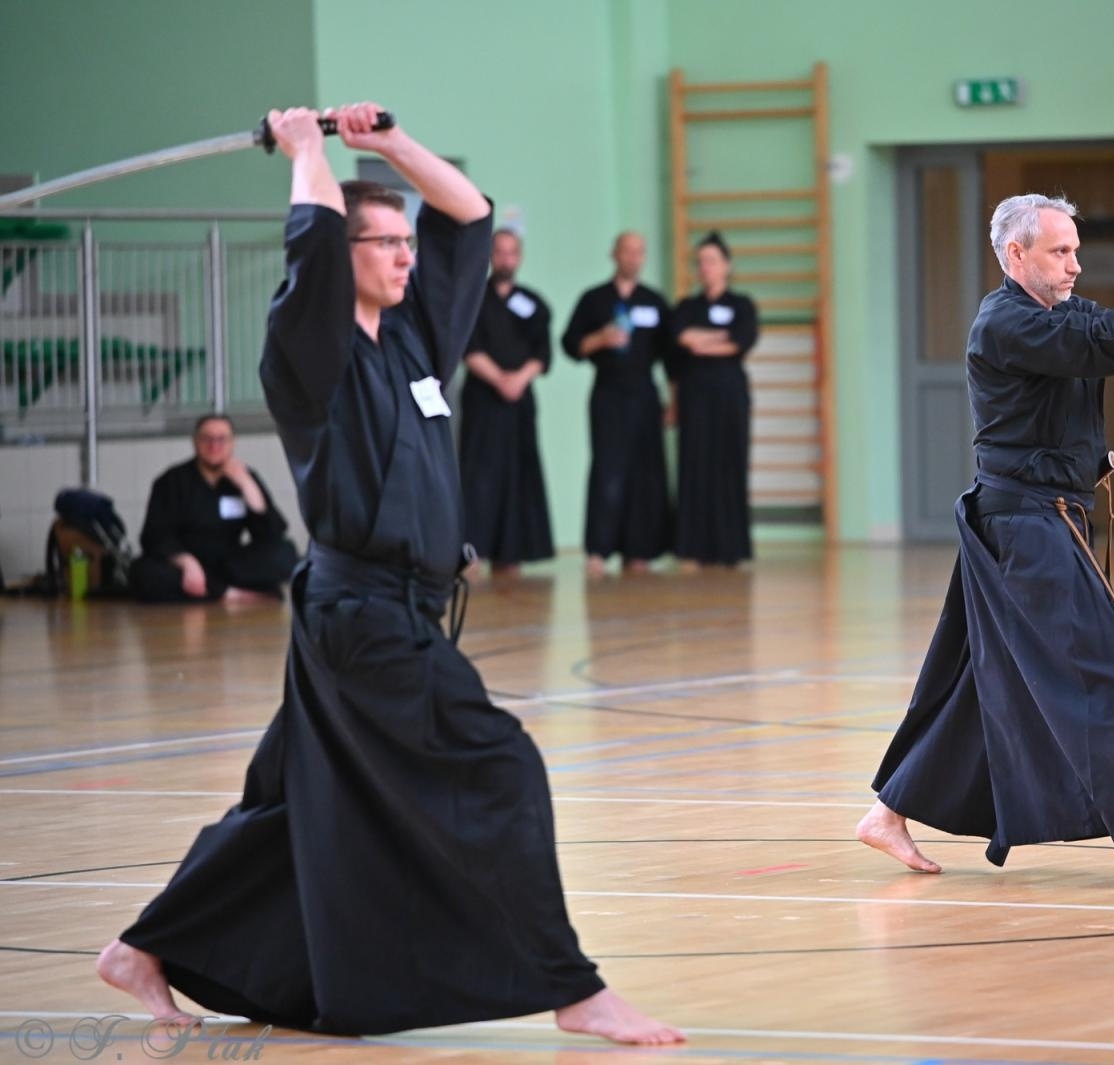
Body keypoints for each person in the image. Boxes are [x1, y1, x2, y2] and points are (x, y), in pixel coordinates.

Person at [96, 103, 682, 1046]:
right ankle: (572, 986)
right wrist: (306, 146)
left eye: (409, 242)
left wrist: (388, 144)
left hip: (388, 607)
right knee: (504, 766)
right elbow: (314, 243)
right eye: (386, 243)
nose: (407, 256)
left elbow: (469, 216)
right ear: (346, 254)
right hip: (361, 611)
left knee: (291, 800)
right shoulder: (308, 350)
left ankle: (143, 948)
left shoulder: (415, 337)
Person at [858, 193, 1114, 891]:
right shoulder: (1004, 323)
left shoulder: (1062, 314)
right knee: (1110, 675)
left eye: (1074, 251)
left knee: (983, 679)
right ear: (1017, 254)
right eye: (1059, 252)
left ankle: (888, 813)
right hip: (1025, 525)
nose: (1074, 264)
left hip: (1031, 520)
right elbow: (1100, 344)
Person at [560, 232, 673, 577]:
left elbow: (671, 354)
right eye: (627, 251)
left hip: (644, 394)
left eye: (639, 252)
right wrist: (600, 338)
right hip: (608, 393)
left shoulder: (653, 301)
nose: (633, 257)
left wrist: (674, 400)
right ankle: (598, 549)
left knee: (645, 472)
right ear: (615, 254)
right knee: (607, 469)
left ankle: (640, 550)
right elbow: (570, 344)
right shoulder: (595, 299)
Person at [458, 227, 556, 568]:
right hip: (483, 399)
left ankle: (512, 553)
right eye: (499, 252)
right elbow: (467, 348)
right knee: (478, 474)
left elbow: (542, 353)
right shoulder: (472, 299)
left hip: (520, 402)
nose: (505, 259)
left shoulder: (534, 304)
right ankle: (472, 552)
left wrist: (519, 379)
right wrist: (500, 379)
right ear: (490, 256)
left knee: (519, 473)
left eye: (512, 252)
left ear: (520, 257)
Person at [128, 414, 297, 603]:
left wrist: (248, 488)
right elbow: (153, 536)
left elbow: (272, 535)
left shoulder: (245, 477)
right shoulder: (171, 481)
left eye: (222, 439)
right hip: (186, 564)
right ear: (195, 442)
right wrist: (186, 562)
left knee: (285, 554)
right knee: (143, 572)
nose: (214, 445)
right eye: (207, 438)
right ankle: (228, 593)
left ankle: (213, 591)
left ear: (232, 443)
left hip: (230, 564)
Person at [669, 232, 760, 569]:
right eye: (701, 262)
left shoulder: (741, 305)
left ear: (726, 266)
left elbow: (741, 340)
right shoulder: (687, 307)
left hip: (729, 395)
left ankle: (731, 548)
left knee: (729, 464)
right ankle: (692, 548)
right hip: (695, 395)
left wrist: (704, 340)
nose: (705, 267)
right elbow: (681, 339)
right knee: (694, 466)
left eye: (712, 261)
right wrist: (716, 338)